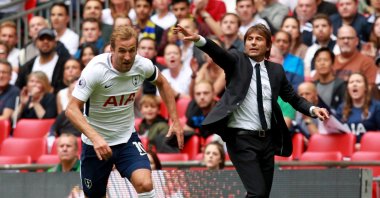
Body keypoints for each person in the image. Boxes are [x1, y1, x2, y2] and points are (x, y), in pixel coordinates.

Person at [174, 23, 329, 197]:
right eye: (249, 39)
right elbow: (219, 54)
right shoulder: (236, 60)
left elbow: (292, 98)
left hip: (267, 140)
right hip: (241, 139)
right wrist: (199, 40)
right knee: (257, 193)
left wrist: (313, 109)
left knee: (261, 195)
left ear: (268, 45)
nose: (253, 43)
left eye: (258, 39)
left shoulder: (276, 71)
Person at [65, 25, 184, 198]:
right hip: (95, 145)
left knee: (145, 183)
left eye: (132, 51)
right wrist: (96, 138)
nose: (127, 57)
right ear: (112, 49)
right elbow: (71, 109)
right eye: (122, 51)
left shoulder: (142, 65)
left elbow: (163, 83)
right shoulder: (96, 70)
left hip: (126, 139)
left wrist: (175, 119)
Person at [16, 28, 69, 94]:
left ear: (55, 43)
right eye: (42, 39)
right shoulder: (28, 66)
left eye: (49, 39)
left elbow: (66, 88)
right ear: (36, 43)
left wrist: (53, 91)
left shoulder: (64, 64)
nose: (45, 41)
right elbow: (18, 87)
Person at [336, 73, 380, 150]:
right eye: (351, 82)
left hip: (370, 152)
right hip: (346, 152)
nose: (354, 84)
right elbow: (336, 133)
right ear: (348, 88)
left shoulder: (376, 107)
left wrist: (364, 145)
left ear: (365, 87)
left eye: (358, 81)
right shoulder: (341, 108)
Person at [313, 47, 346, 112]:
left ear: (332, 63)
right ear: (315, 65)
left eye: (326, 60)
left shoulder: (342, 85)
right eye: (318, 60)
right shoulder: (313, 86)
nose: (322, 63)